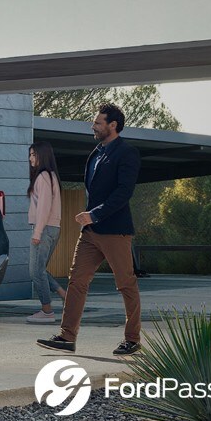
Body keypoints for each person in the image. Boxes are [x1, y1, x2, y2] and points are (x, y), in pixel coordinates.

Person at [37, 103, 143, 356]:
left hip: (115, 231)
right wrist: (90, 219)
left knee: (125, 284)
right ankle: (67, 336)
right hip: (91, 233)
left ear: (112, 125)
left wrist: (94, 214)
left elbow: (124, 193)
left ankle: (132, 339)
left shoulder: (127, 153)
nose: (92, 126)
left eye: (97, 122)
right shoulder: (96, 154)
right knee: (77, 281)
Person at [25, 142, 66, 323]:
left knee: (35, 272)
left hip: (44, 228)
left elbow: (44, 208)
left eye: (34, 154)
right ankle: (64, 294)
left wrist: (37, 232)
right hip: (52, 228)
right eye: (30, 155)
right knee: (39, 270)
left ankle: (47, 311)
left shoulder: (43, 177)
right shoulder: (51, 176)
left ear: (43, 155)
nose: (30, 158)